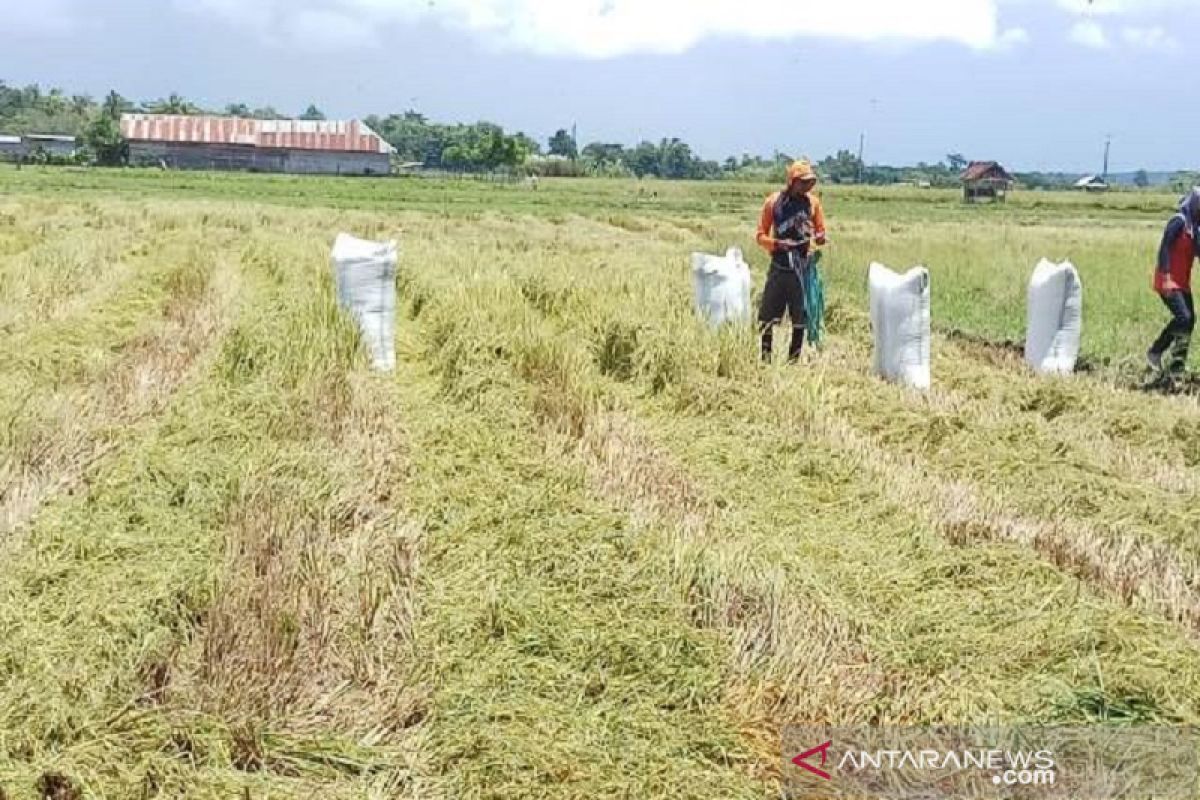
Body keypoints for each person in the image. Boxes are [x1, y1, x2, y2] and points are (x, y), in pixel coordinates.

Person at [755, 159, 827, 362]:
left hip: (802, 270)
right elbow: (760, 236)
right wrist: (777, 244)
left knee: (800, 318)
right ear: (792, 181)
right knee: (767, 317)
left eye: (810, 183)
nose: (807, 187)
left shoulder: (813, 204)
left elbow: (821, 231)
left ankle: (793, 361)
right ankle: (765, 359)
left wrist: (820, 238)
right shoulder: (773, 203)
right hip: (779, 267)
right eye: (802, 182)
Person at [1148, 188, 1200, 376]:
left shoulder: (1194, 229)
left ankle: (1177, 364)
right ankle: (1155, 351)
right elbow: (1164, 247)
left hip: (1182, 283)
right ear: (1194, 205)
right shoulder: (1178, 221)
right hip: (1168, 280)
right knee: (1183, 318)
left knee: (1189, 320)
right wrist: (1167, 277)